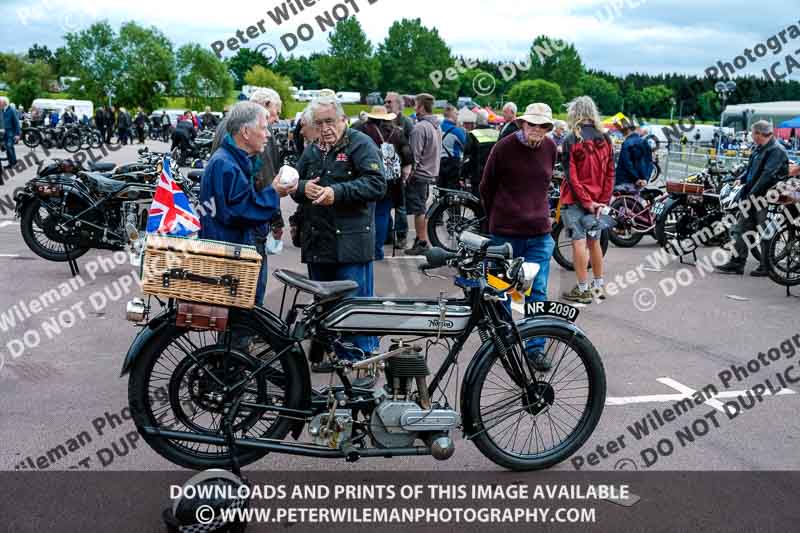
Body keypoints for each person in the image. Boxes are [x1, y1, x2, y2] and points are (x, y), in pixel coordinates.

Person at [290, 95, 385, 385]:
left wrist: (337, 193)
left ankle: (362, 362)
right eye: (319, 123)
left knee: (354, 305)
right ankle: (332, 355)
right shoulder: (313, 149)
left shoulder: (360, 144)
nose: (325, 128)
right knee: (324, 304)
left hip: (351, 244)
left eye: (330, 121)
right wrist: (303, 188)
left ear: (343, 119)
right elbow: (296, 183)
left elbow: (377, 184)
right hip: (318, 242)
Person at [480, 102, 557, 371]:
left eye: (543, 125)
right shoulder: (503, 147)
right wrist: (495, 222)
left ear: (548, 127)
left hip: (539, 233)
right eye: (532, 123)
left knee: (537, 291)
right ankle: (501, 345)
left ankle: (535, 350)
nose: (537, 129)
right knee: (499, 289)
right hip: (505, 234)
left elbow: (545, 185)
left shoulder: (550, 147)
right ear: (522, 123)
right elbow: (486, 186)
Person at [199, 101, 294, 307]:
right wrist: (273, 193)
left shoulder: (232, 159)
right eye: (263, 127)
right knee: (240, 317)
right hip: (230, 252)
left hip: (232, 248)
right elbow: (238, 210)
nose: (268, 134)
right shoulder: (226, 163)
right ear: (245, 132)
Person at [559, 96, 615, 304]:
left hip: (575, 201)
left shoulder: (571, 139)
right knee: (594, 242)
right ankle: (598, 287)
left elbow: (571, 177)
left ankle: (582, 289)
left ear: (574, 112)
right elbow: (610, 173)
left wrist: (586, 202)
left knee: (578, 242)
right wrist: (601, 201)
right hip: (597, 202)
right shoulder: (606, 138)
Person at [716, 120, 789, 276]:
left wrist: (751, 194)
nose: (750, 136)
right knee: (741, 229)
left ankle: (766, 266)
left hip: (765, 198)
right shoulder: (759, 148)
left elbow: (767, 176)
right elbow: (751, 170)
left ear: (758, 133)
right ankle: (737, 262)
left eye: (752, 132)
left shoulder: (776, 150)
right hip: (753, 196)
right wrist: (742, 179)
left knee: (765, 232)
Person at [360, 105, 413, 260]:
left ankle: (366, 249)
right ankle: (377, 251)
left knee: (365, 214)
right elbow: (408, 158)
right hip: (390, 181)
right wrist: (403, 177)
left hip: (366, 177)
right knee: (382, 214)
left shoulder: (361, 130)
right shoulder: (397, 132)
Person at [404, 93, 442, 255]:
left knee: (419, 210)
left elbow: (414, 155)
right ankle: (421, 239)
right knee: (421, 208)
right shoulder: (436, 126)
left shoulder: (420, 128)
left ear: (420, 106)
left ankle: (422, 242)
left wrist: (408, 175)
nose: (413, 107)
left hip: (418, 174)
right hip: (430, 173)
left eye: (415, 104)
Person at [383, 92, 414, 248]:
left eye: (389, 101)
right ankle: (387, 234)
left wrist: (407, 168)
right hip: (383, 170)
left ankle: (401, 236)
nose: (386, 104)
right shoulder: (382, 120)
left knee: (400, 206)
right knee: (385, 204)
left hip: (399, 171)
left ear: (398, 104)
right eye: (385, 101)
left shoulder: (406, 122)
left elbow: (410, 148)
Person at [614, 119, 650, 190]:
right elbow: (649, 162)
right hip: (640, 183)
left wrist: (636, 178)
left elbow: (627, 164)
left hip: (624, 182)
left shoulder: (627, 143)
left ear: (627, 130)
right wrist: (645, 179)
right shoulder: (645, 142)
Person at [439, 103, 466, 190]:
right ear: (451, 114)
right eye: (456, 113)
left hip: (439, 162)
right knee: (452, 190)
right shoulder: (457, 131)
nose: (457, 115)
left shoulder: (437, 128)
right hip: (453, 163)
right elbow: (465, 147)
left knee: (441, 188)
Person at [0, 97, 21, 168]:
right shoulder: (2, 110)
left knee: (9, 147)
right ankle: (11, 163)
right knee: (7, 148)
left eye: (0, 102)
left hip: (11, 132)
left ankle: (14, 163)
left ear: (4, 103)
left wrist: (17, 134)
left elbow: (16, 122)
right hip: (4, 133)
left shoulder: (11, 110)